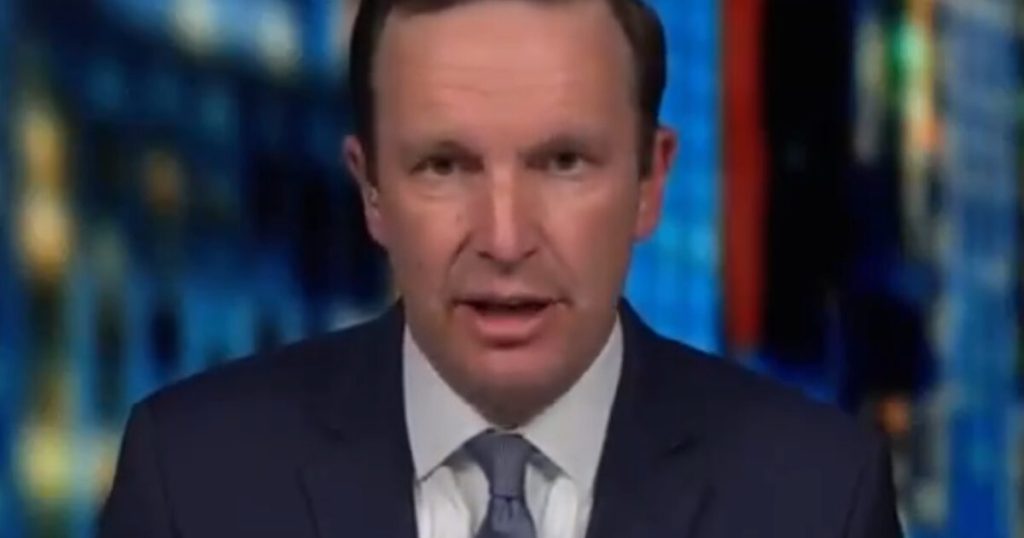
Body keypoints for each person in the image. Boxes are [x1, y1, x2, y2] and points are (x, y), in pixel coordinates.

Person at [98, 0, 903, 536]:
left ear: (651, 183)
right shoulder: (190, 483)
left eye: (563, 162)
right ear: (371, 190)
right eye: (445, 166)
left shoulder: (819, 499)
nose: (506, 238)